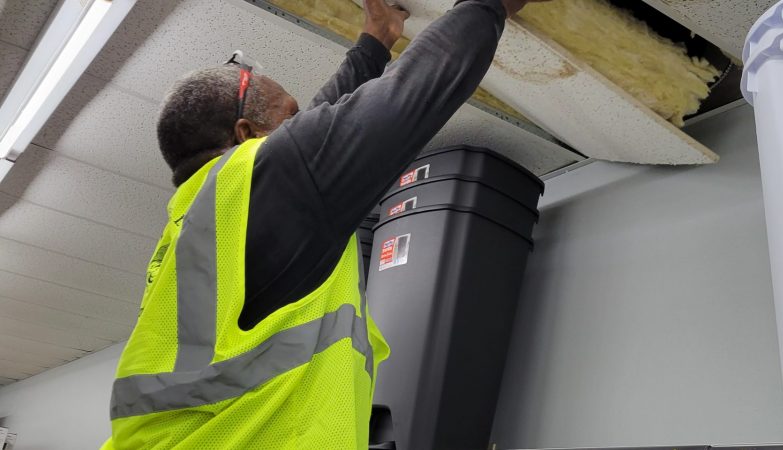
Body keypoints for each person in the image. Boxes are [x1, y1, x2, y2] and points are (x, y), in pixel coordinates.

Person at [103, 0, 543, 447]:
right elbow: (406, 96)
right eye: (289, 118)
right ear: (245, 134)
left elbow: (320, 132)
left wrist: (375, 41)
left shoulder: (199, 220)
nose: (304, 128)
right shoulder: (257, 183)